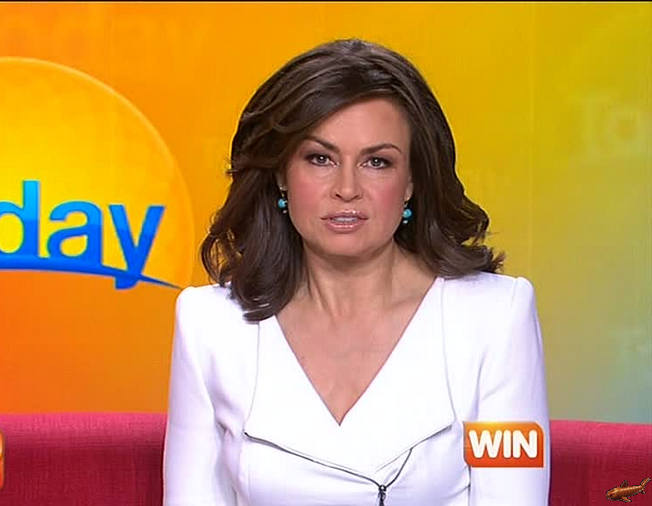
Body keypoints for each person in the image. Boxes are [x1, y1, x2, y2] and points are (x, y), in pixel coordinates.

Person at [162, 38, 550, 506]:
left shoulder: (496, 318)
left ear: (411, 182)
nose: (347, 188)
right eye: (320, 159)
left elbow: (514, 495)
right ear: (281, 175)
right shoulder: (210, 325)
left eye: (377, 162)